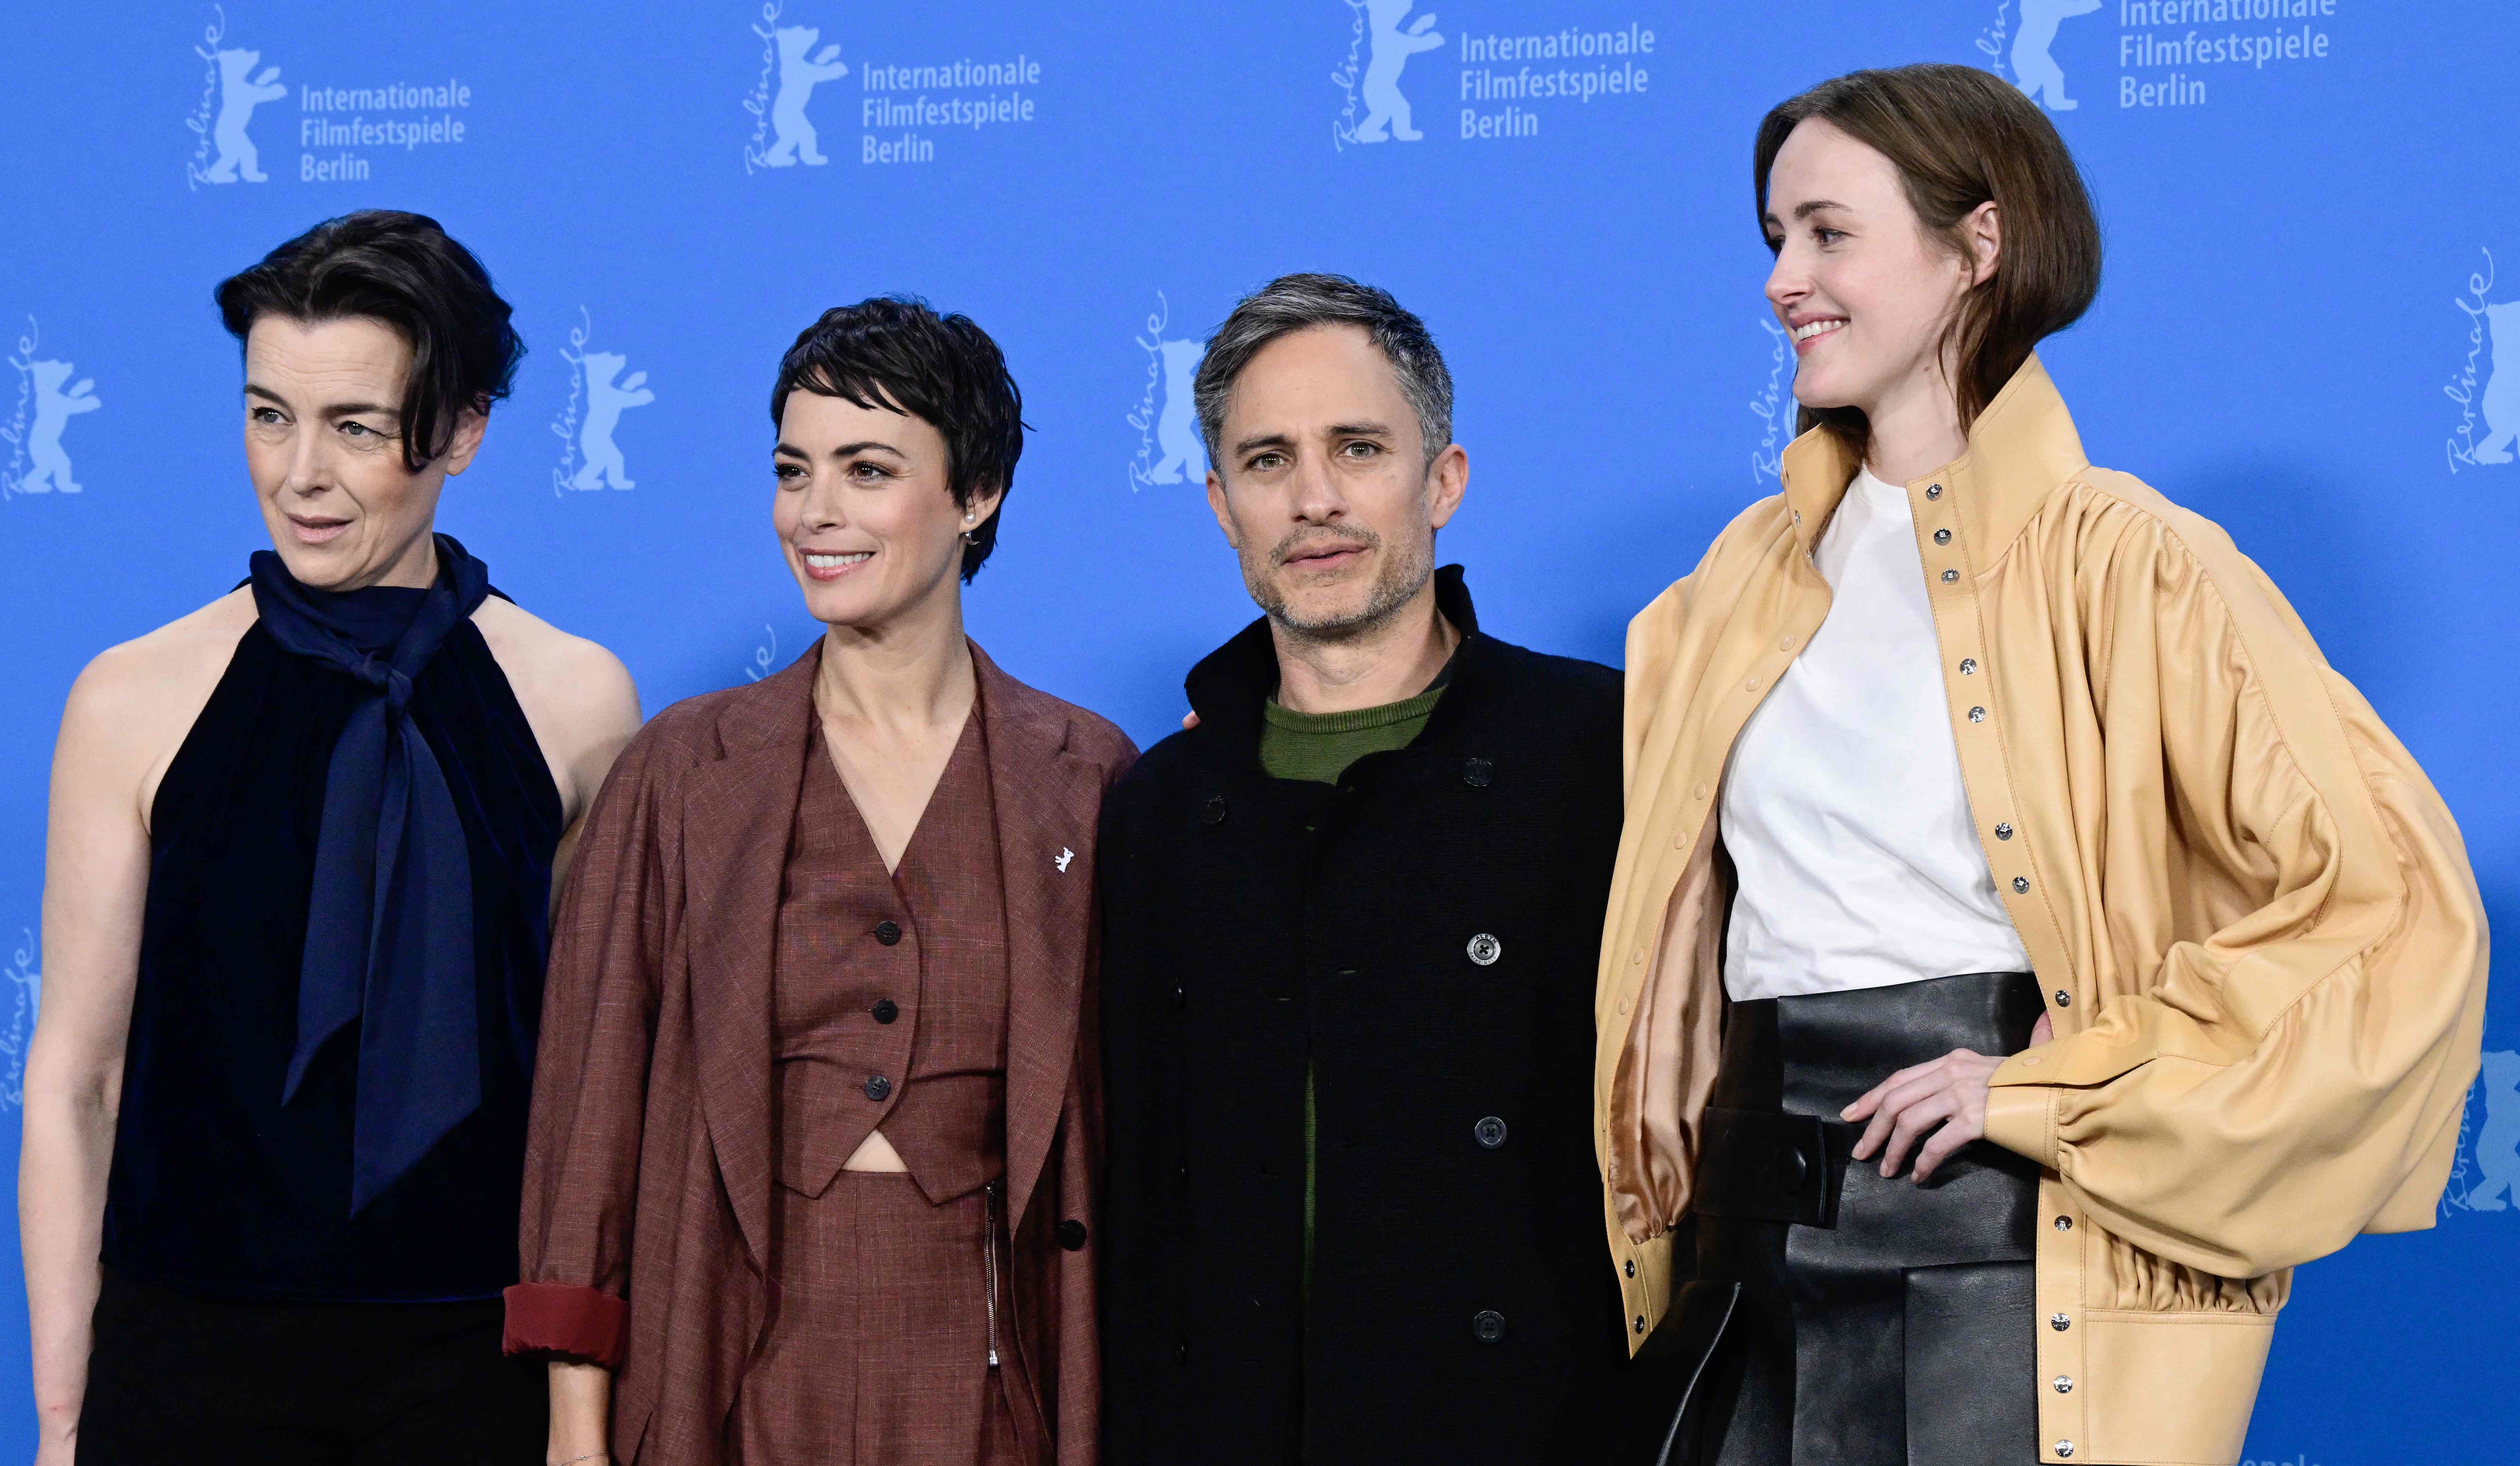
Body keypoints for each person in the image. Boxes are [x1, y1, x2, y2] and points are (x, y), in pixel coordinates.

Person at [1596, 65, 2487, 1466]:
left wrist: (2051, 1091)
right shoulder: (1720, 596)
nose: (1782, 279)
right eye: (1771, 237)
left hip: (1990, 1258)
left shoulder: (2133, 563)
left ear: (1976, 248)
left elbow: (2385, 916)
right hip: (1743, 1259)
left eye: (1828, 233)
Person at [20, 209, 641, 1465]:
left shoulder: (575, 699)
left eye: (355, 428)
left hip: (471, 1364)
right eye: (268, 415)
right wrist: (62, 1420)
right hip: (185, 1359)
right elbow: (76, 1082)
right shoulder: (134, 697)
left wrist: (577, 1411)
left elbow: (591, 1104)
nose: (299, 474)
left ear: (463, 430)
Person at [509, 297, 1133, 1466]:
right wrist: (575, 1431)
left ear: (977, 494)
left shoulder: (1090, 777)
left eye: (868, 468)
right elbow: (589, 1115)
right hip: (728, 1367)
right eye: (795, 470)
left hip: (999, 1380)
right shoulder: (682, 771)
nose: (818, 512)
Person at [1099, 274, 1631, 1463]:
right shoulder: (1161, 808)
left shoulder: (1601, 751)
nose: (1316, 499)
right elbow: (1137, 1210)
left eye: (1357, 448)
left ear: (1443, 480)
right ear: (1221, 505)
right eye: (1269, 460)